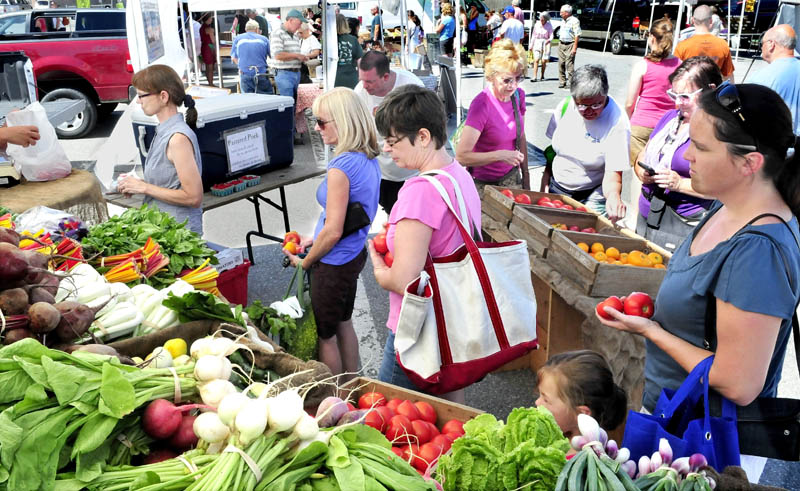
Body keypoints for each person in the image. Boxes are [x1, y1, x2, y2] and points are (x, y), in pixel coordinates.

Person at [597, 84, 800, 427]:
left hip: (706, 443)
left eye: (701, 147)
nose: (687, 155)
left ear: (749, 163)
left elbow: (740, 383)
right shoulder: (727, 205)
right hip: (675, 416)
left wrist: (652, 331)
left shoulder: (757, 250)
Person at [369, 85, 482, 405]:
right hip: (454, 316)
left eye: (392, 141)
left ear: (422, 136)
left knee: (390, 415)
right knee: (448, 410)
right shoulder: (458, 175)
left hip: (418, 327)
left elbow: (405, 279)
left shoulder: (420, 191)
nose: (388, 150)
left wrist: (378, 267)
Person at [283, 88, 381, 381]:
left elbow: (334, 230)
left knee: (326, 336)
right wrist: (317, 236)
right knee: (344, 323)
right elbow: (348, 215)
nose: (315, 127)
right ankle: (353, 386)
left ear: (343, 121)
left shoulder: (341, 166)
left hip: (333, 262)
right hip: (352, 254)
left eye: (321, 122)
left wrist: (306, 261)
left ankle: (333, 396)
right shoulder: (367, 158)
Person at [633, 56, 720, 251]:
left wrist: (679, 184)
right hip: (647, 212)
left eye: (685, 97)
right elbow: (644, 153)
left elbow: (720, 187)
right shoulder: (670, 118)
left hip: (680, 223)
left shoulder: (717, 130)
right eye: (674, 95)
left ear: (711, 90)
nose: (678, 103)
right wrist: (642, 172)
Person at [118, 65, 203, 235]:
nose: (138, 101)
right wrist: (137, 185)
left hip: (179, 235)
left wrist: (144, 188)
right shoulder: (164, 130)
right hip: (163, 229)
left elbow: (193, 197)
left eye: (141, 95)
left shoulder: (177, 138)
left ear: (163, 96)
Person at [544, 65, 630, 220]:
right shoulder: (565, 106)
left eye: (596, 104)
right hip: (557, 186)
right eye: (582, 105)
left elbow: (614, 174)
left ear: (605, 94)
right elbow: (552, 153)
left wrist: (613, 196)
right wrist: (544, 183)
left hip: (590, 194)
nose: (589, 110)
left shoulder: (617, 122)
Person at [455, 39, 530, 193]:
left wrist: (526, 177)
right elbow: (462, 157)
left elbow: (521, 136)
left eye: (518, 78)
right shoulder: (481, 105)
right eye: (507, 80)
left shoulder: (518, 96)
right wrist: (500, 155)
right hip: (483, 184)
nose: (514, 85)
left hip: (511, 178)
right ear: (490, 77)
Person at [354, 51, 424, 213]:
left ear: (385, 77)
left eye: (370, 81)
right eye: (362, 80)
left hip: (413, 171)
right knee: (391, 215)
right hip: (381, 171)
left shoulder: (411, 87)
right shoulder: (360, 92)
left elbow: (427, 128)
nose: (365, 86)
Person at [535, 350, 628, 440]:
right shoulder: (557, 431)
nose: (537, 402)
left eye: (546, 400)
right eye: (540, 395)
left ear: (581, 414)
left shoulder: (579, 455)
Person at [625, 18, 681, 167]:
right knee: (661, 169)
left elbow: (630, 103)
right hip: (668, 125)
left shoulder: (642, 65)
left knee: (639, 170)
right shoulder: (680, 65)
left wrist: (629, 121)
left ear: (651, 37)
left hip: (642, 124)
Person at [750, 24, 800, 135]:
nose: (761, 47)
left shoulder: (760, 77)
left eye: (761, 43)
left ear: (771, 44)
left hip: (777, 146)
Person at [271, 9, 308, 143]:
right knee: (288, 107)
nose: (300, 26)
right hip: (284, 73)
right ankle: (287, 138)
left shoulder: (294, 35)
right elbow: (278, 55)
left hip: (294, 73)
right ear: (291, 20)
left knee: (294, 107)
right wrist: (297, 56)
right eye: (298, 23)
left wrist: (300, 57)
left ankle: (291, 136)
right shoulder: (277, 33)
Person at [675, 5, 734, 82]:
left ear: (692, 20)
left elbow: (676, 75)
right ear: (711, 21)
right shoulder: (723, 44)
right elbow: (728, 76)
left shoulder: (682, 46)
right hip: (714, 91)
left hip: (690, 91)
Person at [231, 20, 271, 94]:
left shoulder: (238, 39)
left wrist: (241, 67)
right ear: (257, 29)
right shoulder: (264, 39)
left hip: (245, 73)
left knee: (248, 100)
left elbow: (233, 57)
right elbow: (271, 55)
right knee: (265, 99)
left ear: (246, 29)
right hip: (261, 73)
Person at [335, 14, 363, 89]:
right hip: (351, 78)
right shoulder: (353, 39)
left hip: (334, 79)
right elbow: (360, 59)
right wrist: (361, 76)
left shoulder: (328, 41)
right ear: (345, 24)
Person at [557, 4, 581, 89]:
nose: (560, 14)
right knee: (561, 63)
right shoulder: (563, 20)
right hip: (561, 43)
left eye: (561, 12)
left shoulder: (575, 21)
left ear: (567, 13)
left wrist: (575, 48)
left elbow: (577, 35)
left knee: (569, 65)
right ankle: (562, 81)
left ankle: (571, 82)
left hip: (570, 44)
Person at [528, 11, 554, 82]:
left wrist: (549, 40)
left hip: (546, 42)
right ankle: (534, 76)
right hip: (537, 42)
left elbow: (551, 35)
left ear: (545, 19)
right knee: (536, 60)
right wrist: (531, 45)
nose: (541, 20)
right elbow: (533, 35)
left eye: (543, 19)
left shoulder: (549, 25)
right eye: (540, 19)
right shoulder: (537, 24)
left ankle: (542, 75)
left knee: (543, 61)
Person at [199, 13, 217, 87]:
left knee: (207, 66)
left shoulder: (202, 27)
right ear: (208, 19)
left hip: (204, 47)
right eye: (211, 18)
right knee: (210, 67)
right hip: (209, 48)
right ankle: (211, 83)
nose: (212, 19)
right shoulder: (209, 29)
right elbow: (213, 41)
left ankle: (209, 82)